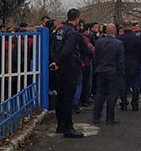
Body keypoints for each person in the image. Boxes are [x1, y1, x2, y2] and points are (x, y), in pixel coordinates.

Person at [49, 8, 84, 138]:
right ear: (77, 18)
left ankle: (60, 125)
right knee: (68, 98)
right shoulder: (72, 32)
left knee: (60, 97)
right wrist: (59, 62)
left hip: (60, 68)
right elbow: (68, 50)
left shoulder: (59, 30)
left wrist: (55, 62)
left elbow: (53, 47)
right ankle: (68, 127)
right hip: (69, 67)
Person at [92, 23, 124, 125]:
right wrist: (121, 72)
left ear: (106, 31)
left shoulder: (99, 42)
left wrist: (96, 68)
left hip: (101, 71)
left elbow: (95, 57)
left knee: (100, 94)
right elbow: (120, 60)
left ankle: (96, 116)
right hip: (113, 72)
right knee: (112, 95)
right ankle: (110, 117)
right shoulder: (118, 43)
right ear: (115, 31)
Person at [116, 19, 141, 111]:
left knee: (123, 84)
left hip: (123, 62)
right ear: (131, 27)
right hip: (134, 62)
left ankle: (124, 103)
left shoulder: (119, 38)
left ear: (123, 27)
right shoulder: (137, 38)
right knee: (135, 84)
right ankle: (135, 103)